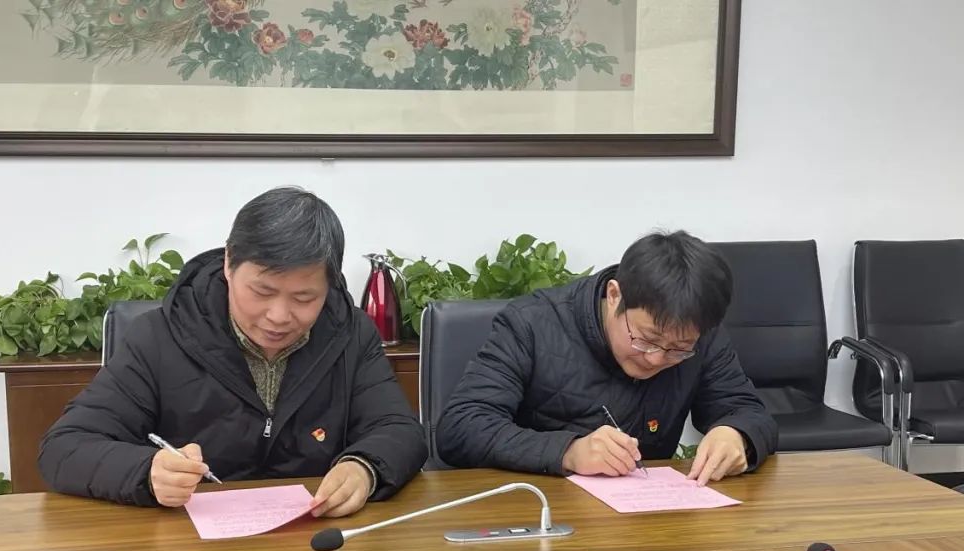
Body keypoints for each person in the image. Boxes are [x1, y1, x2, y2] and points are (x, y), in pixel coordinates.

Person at [40, 187, 427, 516]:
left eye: (304, 298)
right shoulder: (159, 337)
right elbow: (64, 448)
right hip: (187, 550)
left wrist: (364, 467)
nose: (279, 316)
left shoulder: (350, 333)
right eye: (262, 291)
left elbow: (399, 430)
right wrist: (147, 472)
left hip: (313, 541)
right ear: (229, 263)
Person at [436, 230, 777, 484]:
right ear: (615, 295)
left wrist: (737, 435)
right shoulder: (532, 324)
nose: (656, 359)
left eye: (678, 349)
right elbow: (462, 426)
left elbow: (747, 411)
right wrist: (567, 452)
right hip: (538, 512)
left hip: (647, 519)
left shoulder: (701, 335)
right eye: (646, 340)